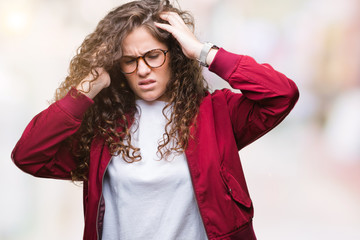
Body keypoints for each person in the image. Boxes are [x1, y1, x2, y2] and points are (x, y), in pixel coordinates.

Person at [11, 0, 299, 239]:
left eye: (153, 55)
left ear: (174, 55)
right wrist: (89, 85)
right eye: (130, 60)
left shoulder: (217, 113)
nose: (143, 69)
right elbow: (28, 155)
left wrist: (202, 50)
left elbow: (281, 94)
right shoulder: (102, 126)